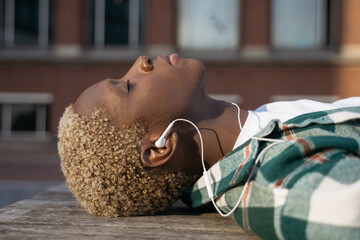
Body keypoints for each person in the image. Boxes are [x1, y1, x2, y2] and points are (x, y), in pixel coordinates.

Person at [58, 54, 360, 239]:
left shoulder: (263, 122)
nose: (141, 62)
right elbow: (346, 211)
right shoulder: (269, 176)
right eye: (128, 86)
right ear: (159, 148)